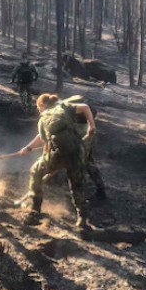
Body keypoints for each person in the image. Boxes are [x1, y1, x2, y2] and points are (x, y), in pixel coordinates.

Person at [19, 93, 96, 229]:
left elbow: (44, 142)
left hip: (58, 154)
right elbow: (84, 107)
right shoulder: (64, 106)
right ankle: (83, 219)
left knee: (35, 171)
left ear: (42, 105)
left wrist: (32, 150)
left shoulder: (44, 118)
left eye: (38, 108)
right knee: (77, 184)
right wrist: (92, 125)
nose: (39, 111)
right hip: (78, 151)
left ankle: (35, 208)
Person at [74, 103, 106, 200]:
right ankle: (100, 188)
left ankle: (81, 192)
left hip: (83, 138)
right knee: (87, 162)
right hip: (85, 135)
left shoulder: (66, 111)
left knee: (82, 164)